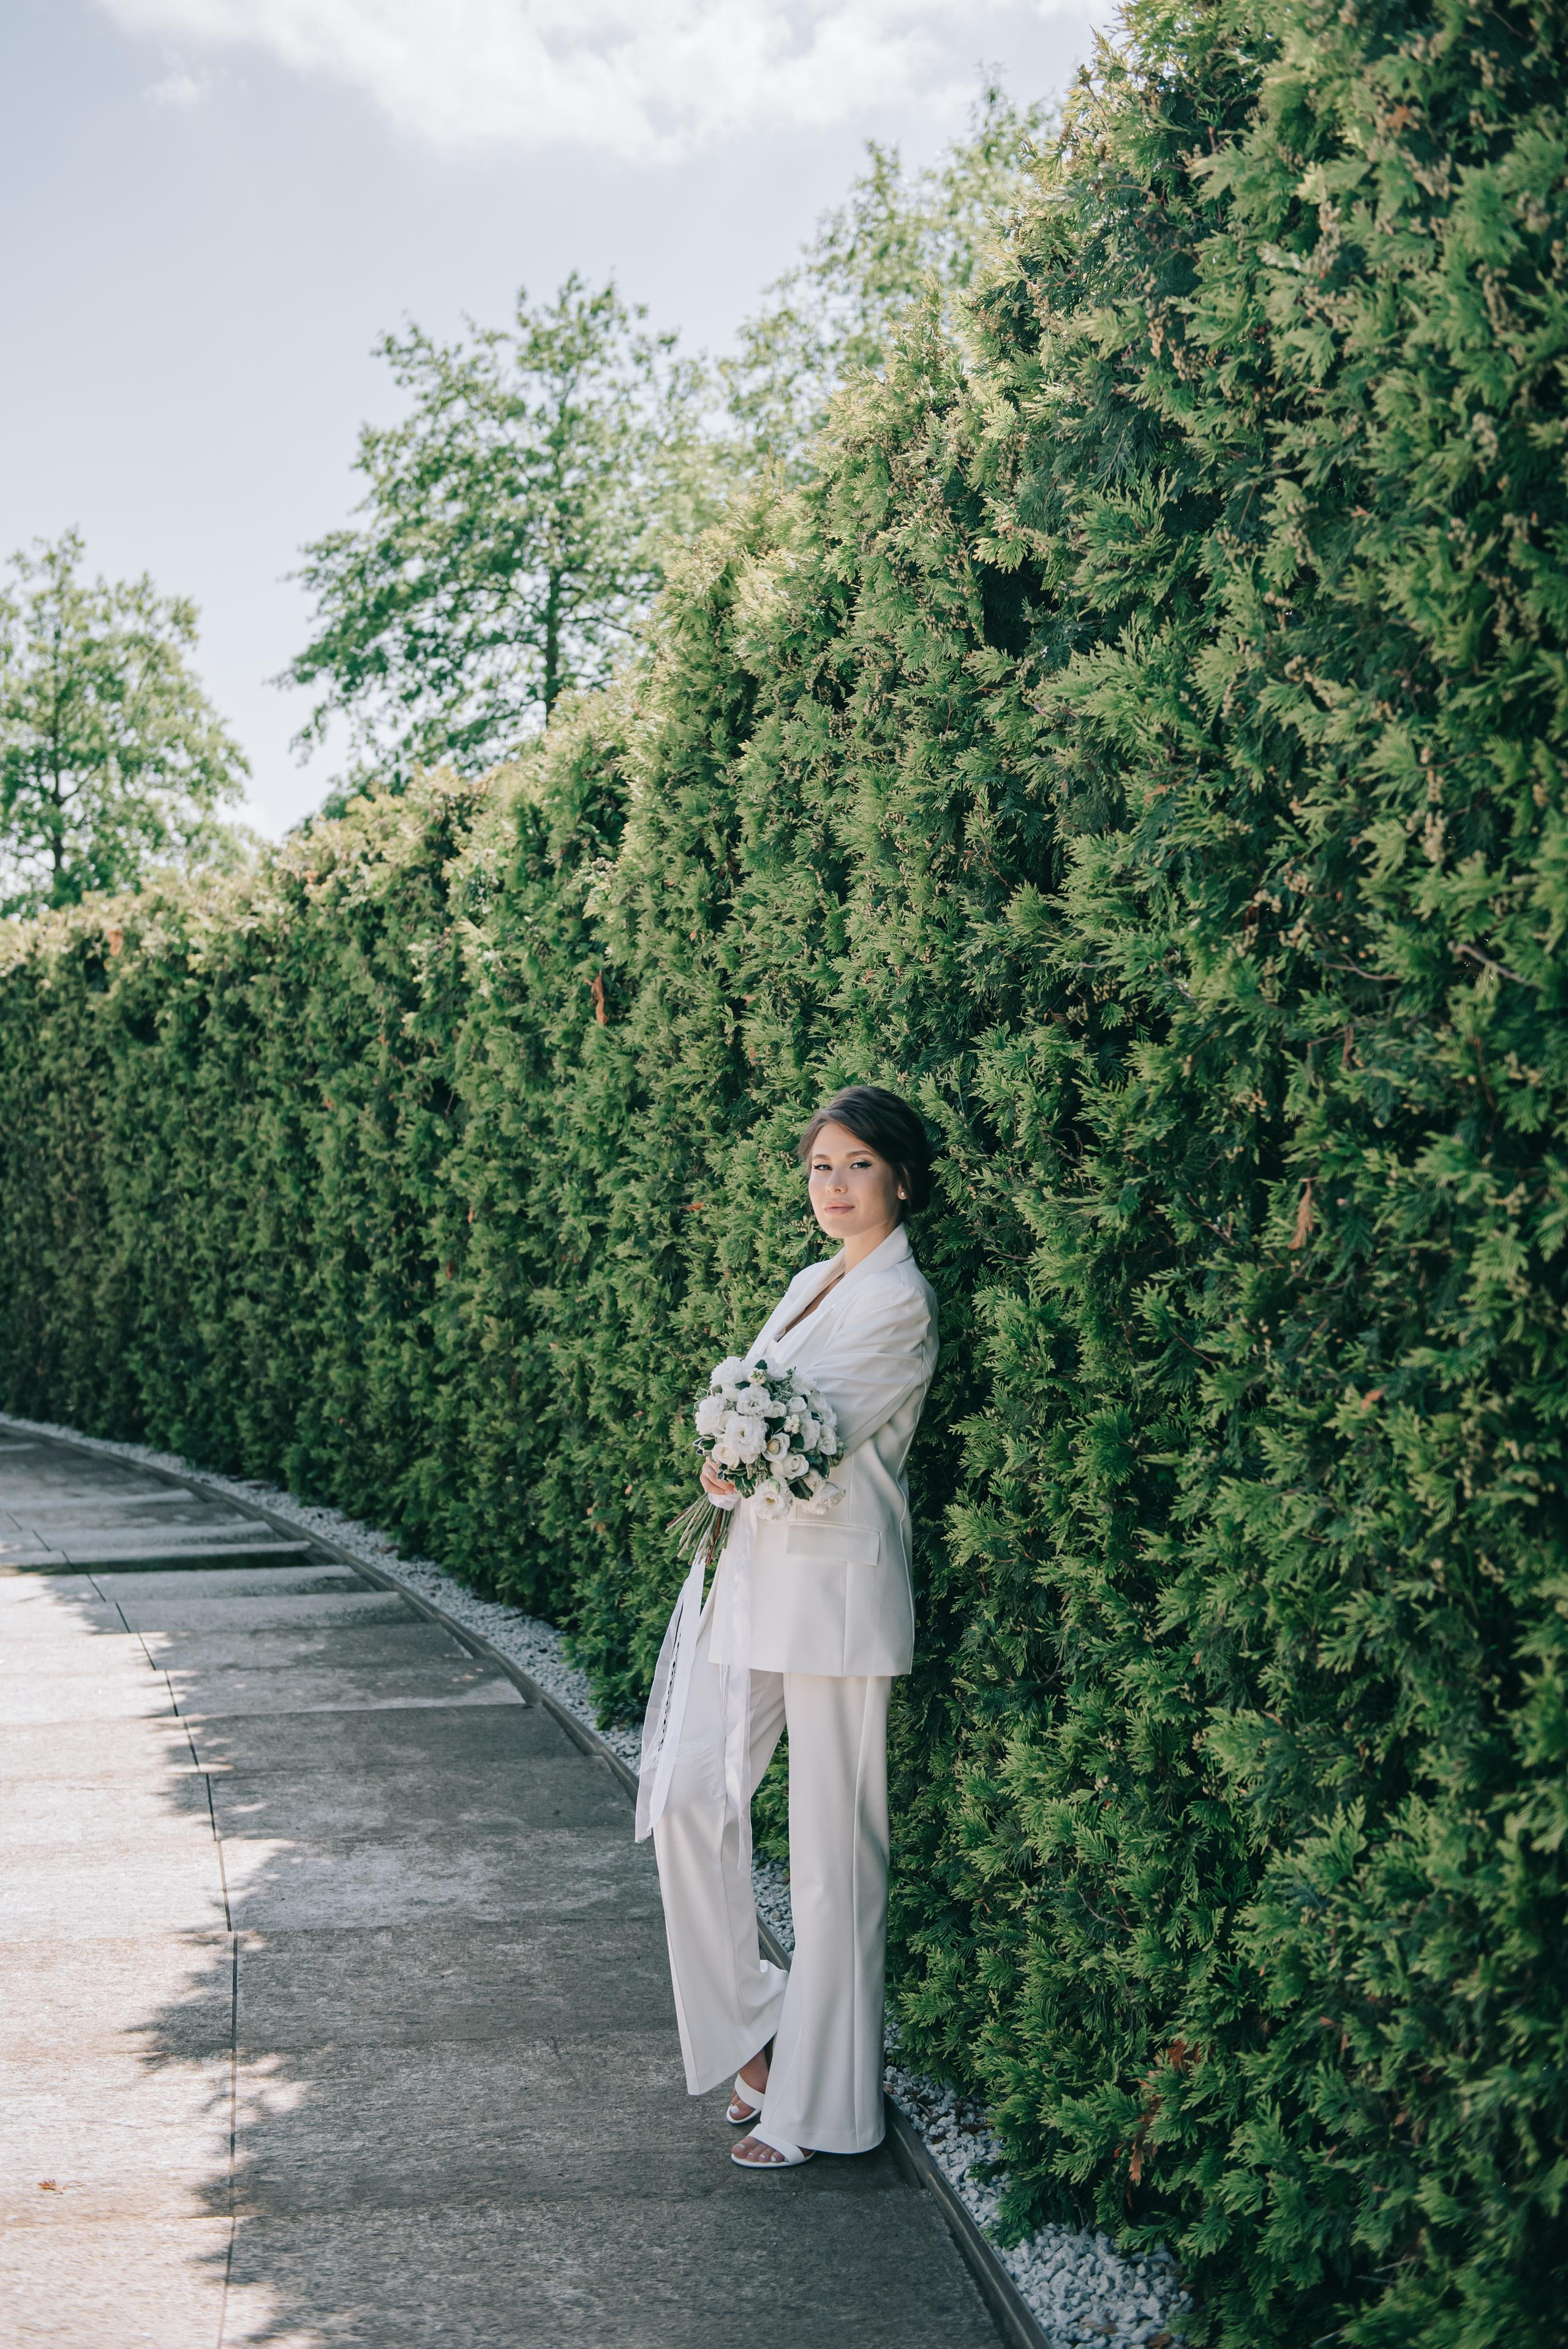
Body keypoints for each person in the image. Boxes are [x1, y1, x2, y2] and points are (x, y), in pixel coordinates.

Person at [636, 1084, 940, 2169]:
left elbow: (812, 1434)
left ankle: (825, 2106)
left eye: (857, 1165)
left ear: (899, 1177)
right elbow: (766, 1421)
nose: (835, 1185)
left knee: (832, 1858)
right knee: (684, 1792)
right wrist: (724, 1461)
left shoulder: (902, 1301)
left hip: (840, 1600)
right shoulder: (812, 1281)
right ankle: (758, 2020)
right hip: (756, 1584)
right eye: (820, 1166)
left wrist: (739, 1452)